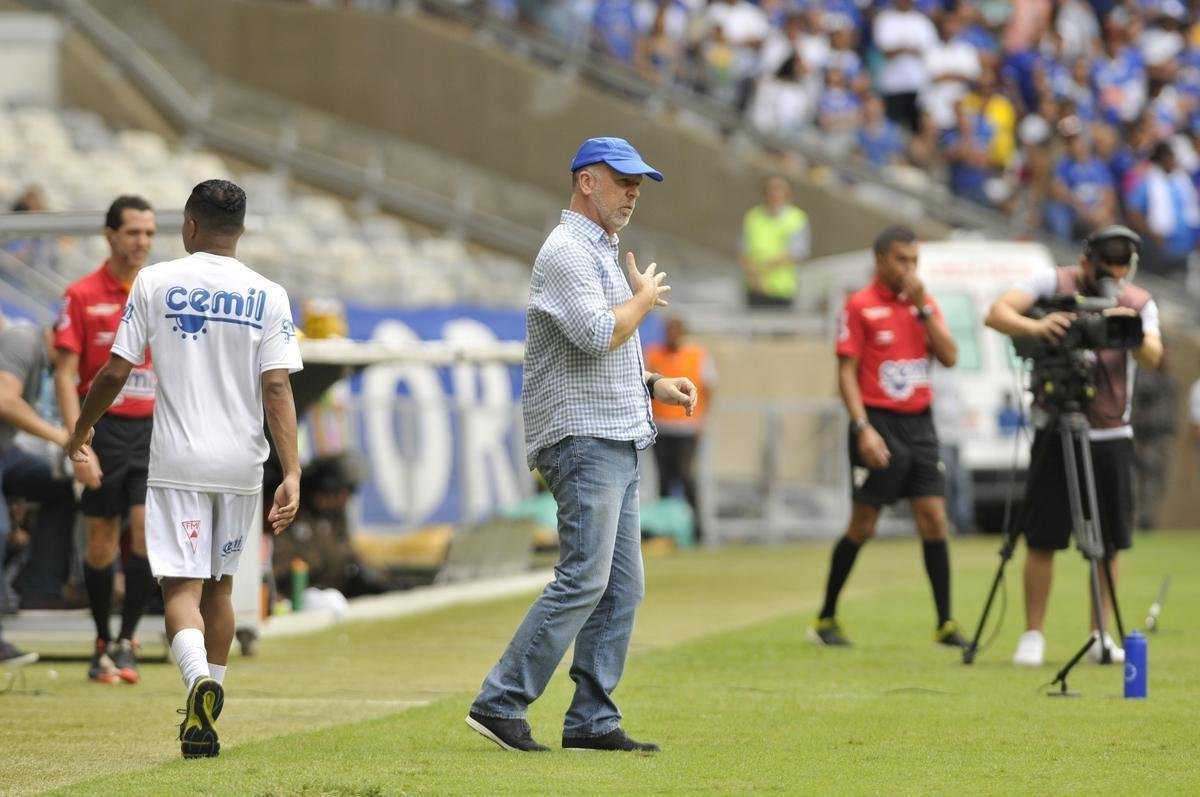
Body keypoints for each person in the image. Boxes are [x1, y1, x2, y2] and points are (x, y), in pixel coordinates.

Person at [466, 137, 696, 754]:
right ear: (586, 181)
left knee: (620, 588)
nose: (634, 192)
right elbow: (597, 335)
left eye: (638, 183)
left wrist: (653, 383)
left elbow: (601, 355)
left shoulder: (598, 250)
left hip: (613, 432)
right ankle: (500, 702)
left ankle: (592, 722)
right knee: (585, 579)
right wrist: (642, 301)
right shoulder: (568, 250)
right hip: (583, 437)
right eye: (623, 180)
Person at [66, 179, 303, 758]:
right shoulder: (269, 294)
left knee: (180, 588)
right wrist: (292, 472)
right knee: (221, 590)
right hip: (243, 465)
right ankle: (206, 717)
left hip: (179, 463)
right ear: (241, 230)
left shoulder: (155, 281)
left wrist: (81, 429)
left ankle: (196, 681)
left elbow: (115, 371)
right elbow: (276, 388)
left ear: (189, 226)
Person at [984, 225, 1162, 666]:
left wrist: (1127, 328)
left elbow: (1154, 355)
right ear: (1085, 262)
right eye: (1105, 271)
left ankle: (1100, 635)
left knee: (1109, 543)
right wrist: (1039, 325)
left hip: (1111, 433)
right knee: (1042, 538)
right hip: (1055, 426)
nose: (1112, 280)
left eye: (1120, 273)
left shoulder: (1137, 301)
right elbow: (997, 313)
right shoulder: (1052, 282)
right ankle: (1032, 635)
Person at [811, 225, 967, 649]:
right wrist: (862, 428)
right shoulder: (860, 305)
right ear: (880, 259)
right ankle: (826, 617)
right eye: (902, 260)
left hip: (921, 424)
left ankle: (945, 623)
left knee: (934, 519)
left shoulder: (924, 304)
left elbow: (950, 357)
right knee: (863, 524)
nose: (909, 269)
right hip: (878, 422)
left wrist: (924, 309)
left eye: (915, 261)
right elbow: (846, 372)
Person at [53, 195, 159, 684]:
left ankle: (127, 641)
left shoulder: (159, 291)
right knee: (101, 540)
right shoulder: (80, 294)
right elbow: (65, 373)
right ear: (110, 235)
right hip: (102, 429)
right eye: (134, 232)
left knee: (144, 532)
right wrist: (78, 442)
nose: (143, 242)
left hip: (153, 430)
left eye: (150, 233)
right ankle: (101, 642)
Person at [0, 324, 97, 666]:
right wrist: (64, 438)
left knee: (63, 487)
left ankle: (40, 588)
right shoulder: (23, 338)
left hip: (6, 453)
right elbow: (4, 399)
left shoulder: (42, 359)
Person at [644, 317, 715, 544]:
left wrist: (703, 419)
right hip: (661, 426)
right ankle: (666, 531)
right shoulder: (655, 354)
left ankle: (697, 530)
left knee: (686, 475)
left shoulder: (697, 354)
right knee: (664, 478)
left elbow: (708, 387)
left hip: (686, 426)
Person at [738, 175, 810, 308]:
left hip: (781, 291)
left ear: (789, 194)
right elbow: (743, 252)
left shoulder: (797, 218)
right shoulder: (753, 217)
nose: (775, 193)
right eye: (772, 189)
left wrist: (761, 271)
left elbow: (796, 253)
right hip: (753, 288)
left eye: (780, 189)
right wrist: (754, 277)